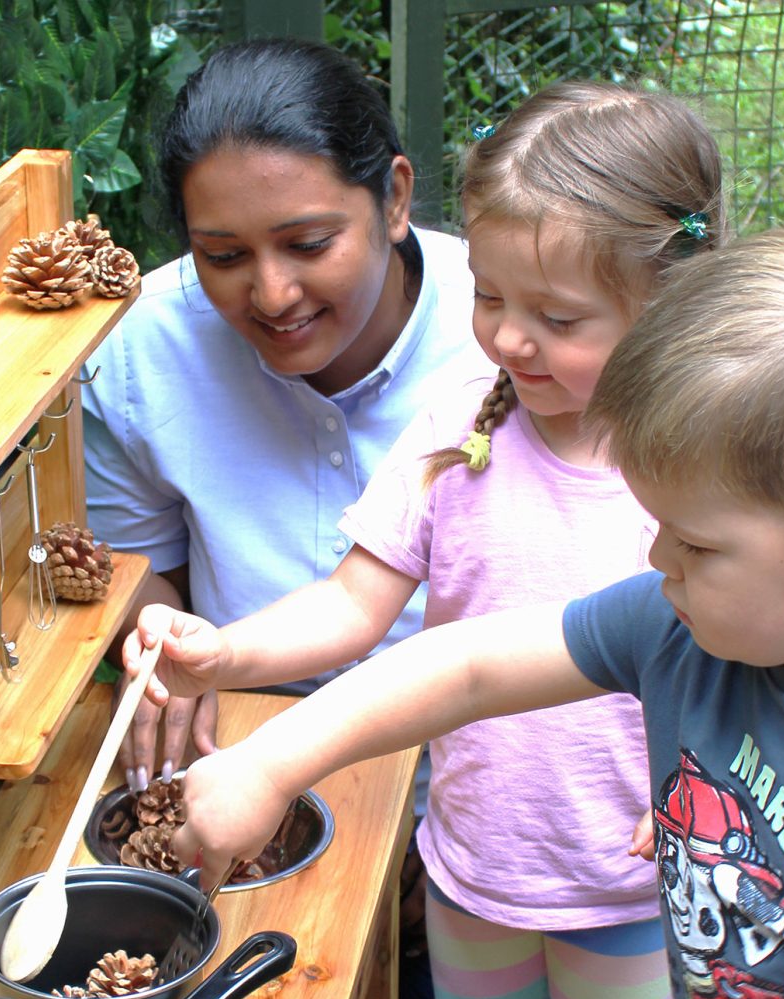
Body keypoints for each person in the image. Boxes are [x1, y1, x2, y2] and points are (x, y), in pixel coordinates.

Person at [140, 221, 784, 999]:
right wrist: (270, 764)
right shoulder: (688, 624)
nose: (654, 562)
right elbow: (470, 664)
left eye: (692, 541)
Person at [123, 80, 729, 999]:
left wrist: (712, 773)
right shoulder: (460, 419)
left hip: (628, 888)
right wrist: (224, 651)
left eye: (559, 319)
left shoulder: (706, 469)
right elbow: (354, 604)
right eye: (489, 296)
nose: (509, 337)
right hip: (471, 872)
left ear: (668, 302)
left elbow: (755, 654)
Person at [81, 37, 489, 790]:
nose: (272, 294)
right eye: (224, 257)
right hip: (235, 752)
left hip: (479, 776)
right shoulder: (140, 353)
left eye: (308, 243)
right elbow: (137, 569)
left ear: (394, 199)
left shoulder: (511, 338)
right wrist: (160, 653)